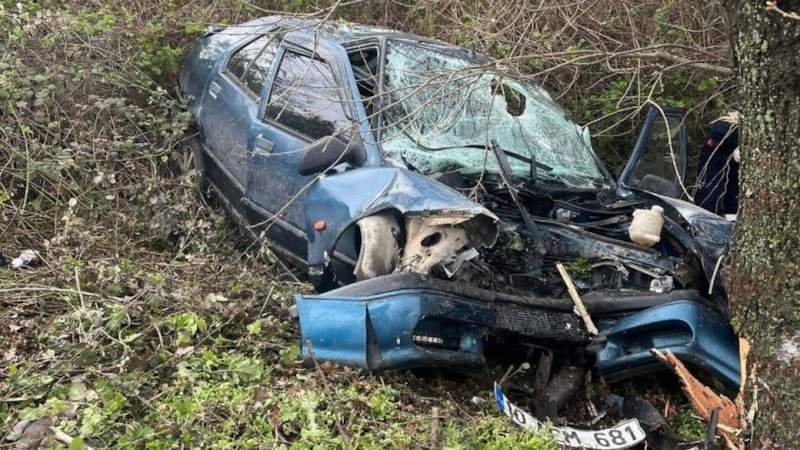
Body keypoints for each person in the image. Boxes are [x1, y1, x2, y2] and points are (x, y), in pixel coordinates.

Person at [695, 111, 741, 221]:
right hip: (712, 163)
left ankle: (732, 221)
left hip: (736, 163)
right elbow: (709, 156)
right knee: (709, 193)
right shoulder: (722, 129)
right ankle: (704, 221)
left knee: (734, 191)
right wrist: (731, 157)